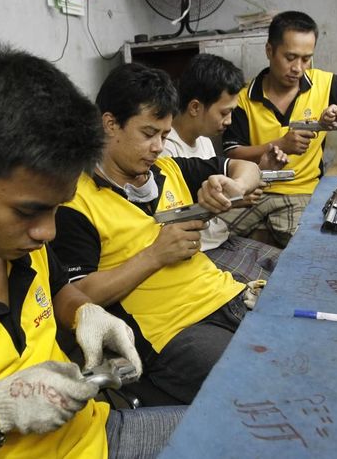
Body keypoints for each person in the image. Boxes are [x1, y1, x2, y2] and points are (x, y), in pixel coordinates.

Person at [0, 45, 184, 459]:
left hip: (98, 438)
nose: (48, 231)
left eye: (57, 208)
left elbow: (58, 288)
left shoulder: (17, 237)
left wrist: (84, 312)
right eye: (29, 211)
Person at [51, 63, 262, 404]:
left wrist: (233, 185)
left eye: (164, 136)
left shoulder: (168, 169)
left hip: (227, 294)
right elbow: (76, 296)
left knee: (294, 346)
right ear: (109, 124)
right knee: (256, 381)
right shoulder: (75, 203)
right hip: (172, 333)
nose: (158, 147)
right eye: (148, 134)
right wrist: (155, 255)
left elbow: (247, 167)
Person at [222, 10, 337, 247]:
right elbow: (232, 153)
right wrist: (280, 144)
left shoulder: (325, 84)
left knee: (308, 249)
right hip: (253, 189)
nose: (298, 68)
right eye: (290, 57)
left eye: (306, 58)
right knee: (206, 235)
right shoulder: (242, 98)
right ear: (269, 51)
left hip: (300, 192)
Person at [161, 53, 288, 284]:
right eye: (224, 112)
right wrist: (233, 200)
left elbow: (225, 184)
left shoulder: (204, 142)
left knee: (289, 265)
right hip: (202, 253)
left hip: (222, 238)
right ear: (195, 107)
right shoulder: (165, 150)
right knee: (274, 287)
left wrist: (260, 170)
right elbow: (171, 219)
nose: (229, 121)